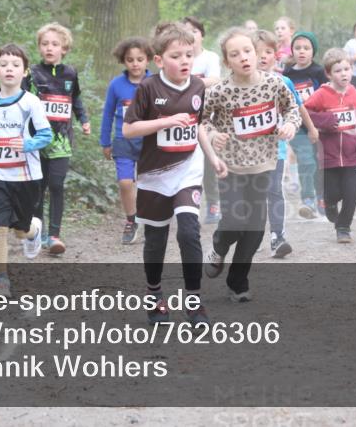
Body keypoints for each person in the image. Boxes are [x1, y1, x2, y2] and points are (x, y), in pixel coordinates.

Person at [122, 23, 226, 327]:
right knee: (155, 240)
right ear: (159, 60)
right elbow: (129, 130)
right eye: (176, 56)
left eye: (189, 55)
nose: (184, 61)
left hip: (188, 169)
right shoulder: (148, 88)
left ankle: (194, 304)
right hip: (155, 174)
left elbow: (198, 126)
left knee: (189, 231)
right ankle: (154, 296)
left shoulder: (197, 86)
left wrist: (212, 156)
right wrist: (164, 123)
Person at [201, 27, 300, 301]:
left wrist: (290, 125)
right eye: (235, 54)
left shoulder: (274, 84)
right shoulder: (219, 91)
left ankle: (237, 282)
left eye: (247, 51)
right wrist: (213, 134)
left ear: (257, 55)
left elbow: (292, 108)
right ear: (227, 61)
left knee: (256, 228)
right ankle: (219, 247)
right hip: (230, 165)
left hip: (264, 164)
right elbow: (202, 120)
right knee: (234, 220)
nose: (243, 57)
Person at [0, 44, 53, 297]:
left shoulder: (31, 103)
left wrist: (27, 144)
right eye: (4, 64)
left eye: (15, 65)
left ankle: (33, 231)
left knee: (20, 229)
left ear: (25, 72)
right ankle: (1, 281)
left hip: (26, 177)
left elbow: (46, 135)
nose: (9, 69)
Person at [22, 23, 91, 255]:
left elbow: (76, 99)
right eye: (45, 44)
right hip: (37, 142)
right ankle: (38, 233)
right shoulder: (32, 73)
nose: (49, 48)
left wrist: (84, 119)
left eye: (54, 44)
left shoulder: (70, 73)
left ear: (64, 48)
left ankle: (54, 235)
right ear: (39, 48)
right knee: (38, 188)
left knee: (57, 185)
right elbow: (20, 101)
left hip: (61, 141)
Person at [303, 48, 356, 243]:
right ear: (328, 73)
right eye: (338, 70)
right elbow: (305, 114)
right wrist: (325, 119)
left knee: (353, 191)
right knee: (333, 193)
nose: (343, 73)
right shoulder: (321, 94)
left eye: (346, 69)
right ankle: (329, 204)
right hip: (329, 156)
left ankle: (343, 227)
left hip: (353, 155)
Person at [254, 29, 316, 258]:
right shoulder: (237, 86)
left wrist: (309, 127)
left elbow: (297, 108)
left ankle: (277, 236)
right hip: (246, 152)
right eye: (257, 52)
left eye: (268, 52)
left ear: (275, 55)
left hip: (275, 148)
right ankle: (254, 233)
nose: (262, 57)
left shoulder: (283, 81)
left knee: (274, 191)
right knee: (253, 194)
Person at [100, 36, 152, 245]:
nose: (135, 63)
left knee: (150, 184)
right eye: (130, 59)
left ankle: (152, 220)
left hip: (150, 141)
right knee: (125, 182)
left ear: (148, 59)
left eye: (140, 59)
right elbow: (108, 114)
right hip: (123, 140)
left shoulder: (155, 82)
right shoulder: (116, 85)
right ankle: (131, 220)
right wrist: (105, 142)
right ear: (123, 61)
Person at [283, 30, 327, 218]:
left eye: (306, 48)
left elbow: (327, 95)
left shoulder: (318, 72)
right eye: (298, 48)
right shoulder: (288, 74)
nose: (302, 51)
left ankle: (322, 198)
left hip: (318, 125)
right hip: (298, 125)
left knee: (320, 163)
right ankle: (307, 199)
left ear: (313, 51)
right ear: (292, 50)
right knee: (306, 160)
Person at [184, 16, 223, 224]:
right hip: (184, 116)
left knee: (209, 162)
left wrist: (190, 82)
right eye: (186, 31)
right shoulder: (181, 57)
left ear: (202, 35)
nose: (191, 35)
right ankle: (190, 204)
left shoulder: (209, 57)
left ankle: (214, 204)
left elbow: (215, 80)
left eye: (195, 31)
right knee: (189, 161)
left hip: (207, 115)